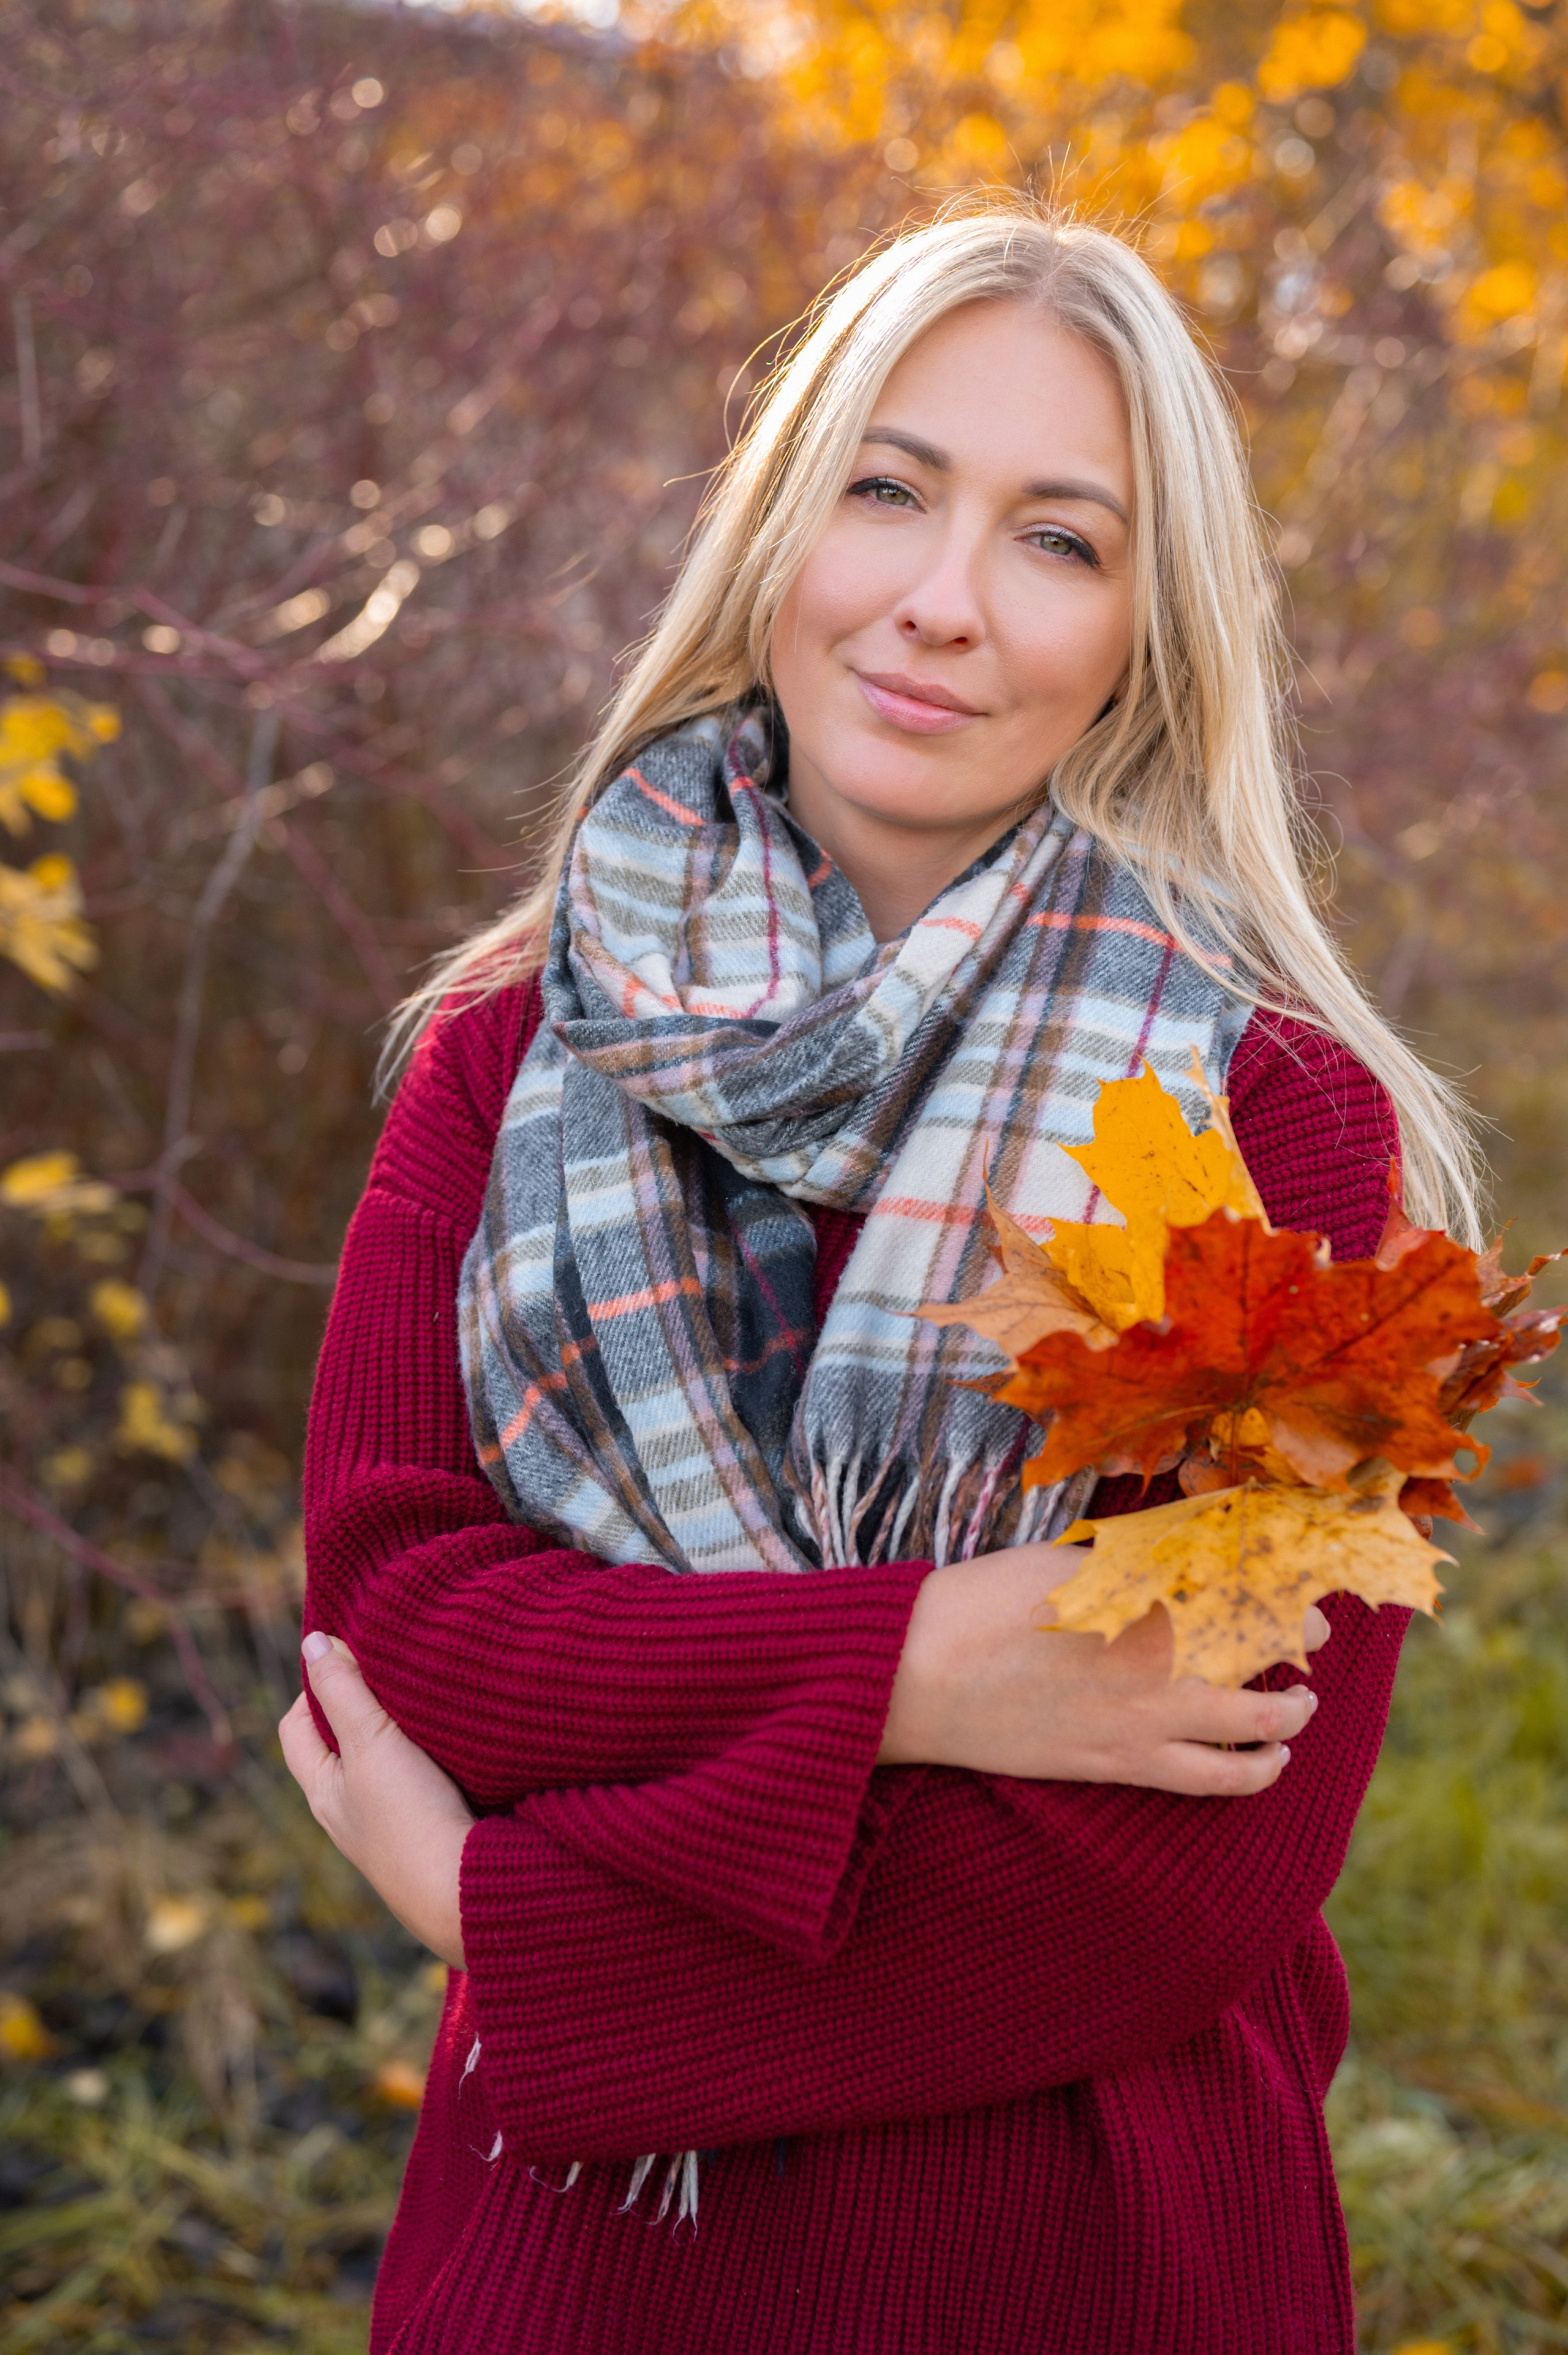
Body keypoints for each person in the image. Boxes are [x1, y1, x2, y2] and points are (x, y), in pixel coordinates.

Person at [279, 197, 1480, 2355]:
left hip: (1082, 2251)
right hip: (574, 2270)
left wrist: (500, 1914)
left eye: (1056, 539)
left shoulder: (1273, 1118)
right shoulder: (504, 1051)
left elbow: (1178, 1877)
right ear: (778, 524)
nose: (939, 606)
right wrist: (924, 1661)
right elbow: (406, 1628)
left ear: (1146, 627)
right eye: (890, 489)